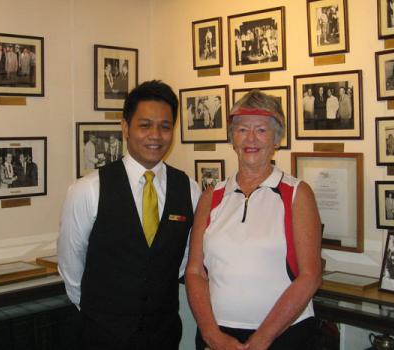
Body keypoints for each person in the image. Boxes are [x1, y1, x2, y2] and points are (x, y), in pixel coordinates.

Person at [58, 80, 201, 350]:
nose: (155, 135)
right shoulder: (87, 190)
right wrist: (103, 314)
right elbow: (71, 267)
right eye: (145, 125)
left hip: (163, 336)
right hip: (100, 337)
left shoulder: (188, 189)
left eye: (165, 126)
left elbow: (181, 261)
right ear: (125, 128)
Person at [186, 90, 322, 350]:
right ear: (232, 138)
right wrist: (211, 334)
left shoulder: (296, 194)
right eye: (242, 130)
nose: (250, 138)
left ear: (276, 139)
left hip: (284, 335)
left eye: (261, 130)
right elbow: (194, 271)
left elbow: (310, 276)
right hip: (218, 336)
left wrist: (262, 339)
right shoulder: (211, 197)